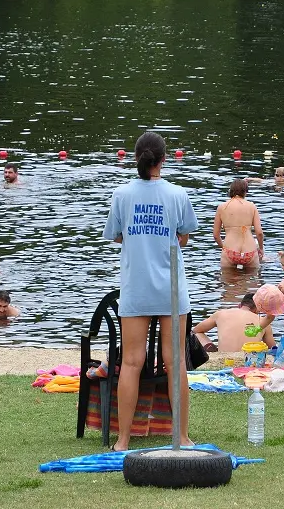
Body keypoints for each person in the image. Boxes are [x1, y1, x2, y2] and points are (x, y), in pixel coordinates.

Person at [102, 131, 198, 451]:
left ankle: (123, 440)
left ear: (136, 157)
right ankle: (182, 437)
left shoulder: (121, 194)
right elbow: (183, 236)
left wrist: (137, 240)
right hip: (171, 287)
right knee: (176, 362)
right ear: (163, 159)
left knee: (131, 362)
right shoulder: (177, 195)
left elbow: (116, 236)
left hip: (136, 286)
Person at [193, 293, 275, 352]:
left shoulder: (220, 314)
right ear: (258, 309)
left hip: (225, 357)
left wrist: (207, 345)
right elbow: (273, 349)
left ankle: (210, 348)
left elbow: (196, 330)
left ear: (240, 305)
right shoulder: (263, 322)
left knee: (197, 334)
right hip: (249, 357)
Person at [213, 178, 264, 270]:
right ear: (245, 192)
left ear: (231, 191)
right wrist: (261, 248)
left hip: (230, 250)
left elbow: (216, 235)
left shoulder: (221, 207)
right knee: (253, 282)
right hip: (250, 251)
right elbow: (259, 232)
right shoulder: (252, 206)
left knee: (226, 282)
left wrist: (224, 247)